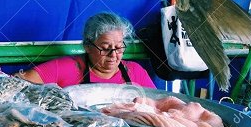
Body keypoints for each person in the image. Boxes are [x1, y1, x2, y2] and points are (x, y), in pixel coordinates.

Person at [17, 12, 156, 88]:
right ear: (87, 46)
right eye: (105, 48)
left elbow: (158, 104)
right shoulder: (67, 67)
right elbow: (18, 82)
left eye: (119, 47)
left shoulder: (135, 72)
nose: (113, 55)